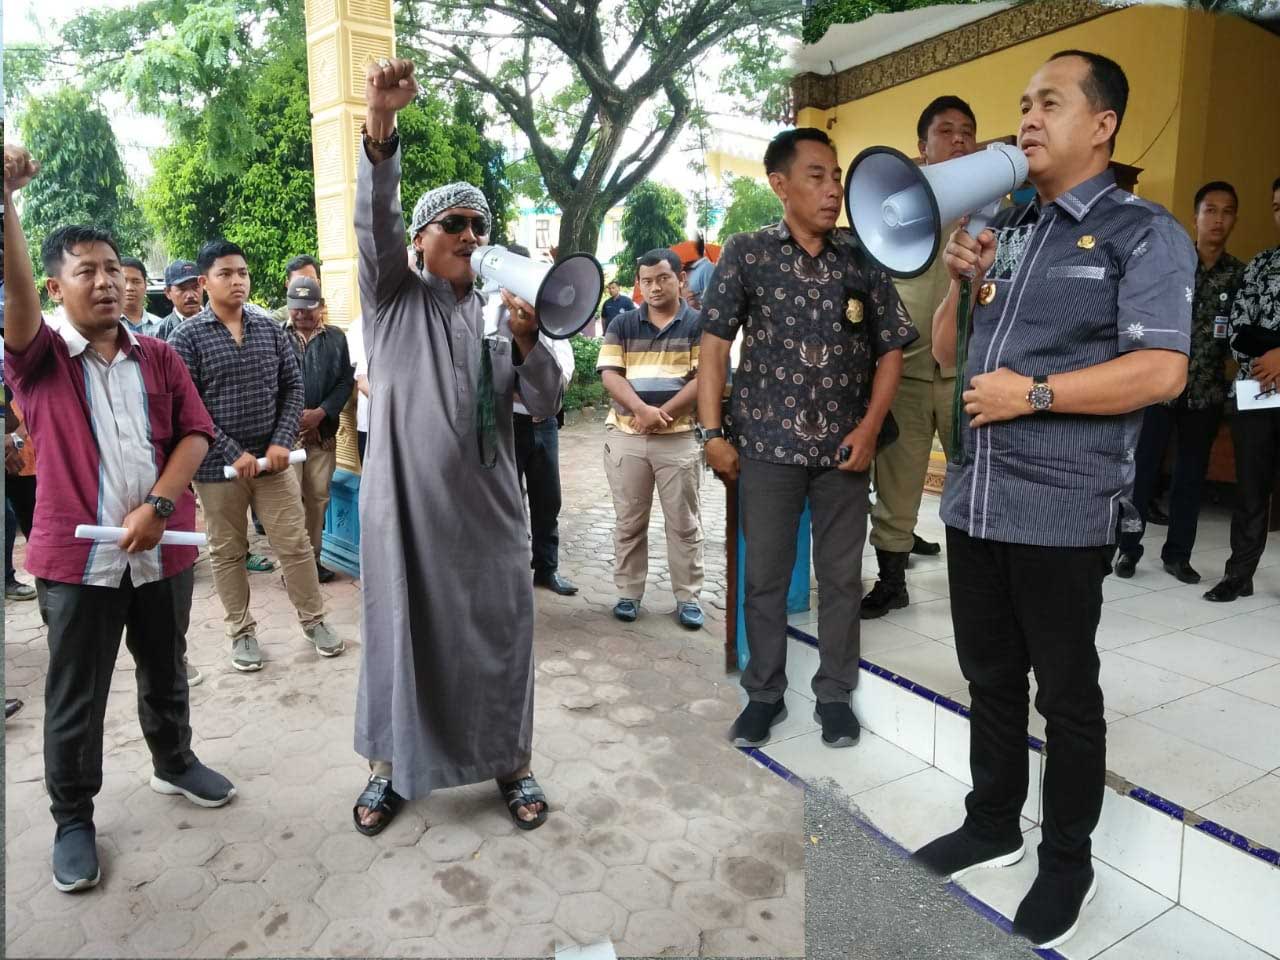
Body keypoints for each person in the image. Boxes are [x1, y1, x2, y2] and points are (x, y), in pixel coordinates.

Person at [911, 52, 1193, 949]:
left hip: (1063, 510)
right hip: (975, 502)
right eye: (1022, 104)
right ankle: (992, 820)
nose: (1025, 119)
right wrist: (960, 279)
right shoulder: (1007, 223)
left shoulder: (1142, 234)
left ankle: (1066, 859)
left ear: (1101, 123)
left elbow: (1163, 370)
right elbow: (951, 357)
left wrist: (1034, 392)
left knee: (1067, 696)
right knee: (990, 676)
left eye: (1049, 103)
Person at [3, 143, 237, 894]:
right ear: (54, 287)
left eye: (113, 269)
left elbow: (195, 434)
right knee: (77, 692)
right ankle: (73, 817)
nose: (106, 282)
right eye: (86, 271)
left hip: (162, 550)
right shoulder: (38, 360)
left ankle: (174, 761)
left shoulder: (159, 356)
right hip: (78, 564)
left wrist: (158, 505)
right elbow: (15, 303)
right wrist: (5, 201)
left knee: (166, 669)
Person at [351, 57, 563, 835]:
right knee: (398, 639)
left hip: (488, 515)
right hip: (404, 511)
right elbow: (372, 218)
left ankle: (512, 762)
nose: (471, 237)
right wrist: (381, 123)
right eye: (455, 224)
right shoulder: (390, 296)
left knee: (500, 634)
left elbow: (540, 405)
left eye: (480, 225)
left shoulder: (503, 312)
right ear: (419, 239)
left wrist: (532, 343)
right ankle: (390, 770)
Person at [697, 127, 916, 750]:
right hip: (765, 450)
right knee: (765, 579)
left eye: (837, 175)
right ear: (780, 184)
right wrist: (711, 433)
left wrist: (871, 428)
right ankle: (764, 696)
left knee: (842, 579)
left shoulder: (862, 255)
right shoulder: (747, 252)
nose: (833, 190)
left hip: (846, 454)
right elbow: (714, 343)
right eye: (817, 176)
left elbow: (892, 348)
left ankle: (835, 697)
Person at [168, 240, 343, 671]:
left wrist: (282, 441)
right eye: (226, 273)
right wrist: (233, 451)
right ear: (205, 282)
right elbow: (188, 407)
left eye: (242, 272)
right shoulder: (186, 337)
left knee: (296, 545)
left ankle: (314, 621)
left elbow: (293, 389)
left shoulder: (269, 328)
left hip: (274, 463)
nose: (237, 281)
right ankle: (241, 634)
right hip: (216, 469)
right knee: (227, 552)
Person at [862, 95, 978, 618]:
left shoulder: (993, 206)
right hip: (905, 372)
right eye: (946, 131)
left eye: (967, 132)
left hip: (968, 375)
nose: (959, 140)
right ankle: (891, 580)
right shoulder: (893, 205)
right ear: (921, 146)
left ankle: (983, 582)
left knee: (976, 477)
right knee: (898, 480)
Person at [1117, 181, 1245, 583]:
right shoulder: (1171, 263)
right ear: (1196, 216)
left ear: (1234, 220)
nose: (1217, 219)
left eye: (1226, 212)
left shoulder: (1238, 276)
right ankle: (1127, 549)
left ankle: (1178, 555)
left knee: (1191, 477)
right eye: (1210, 210)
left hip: (1205, 393)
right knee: (1142, 470)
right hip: (1157, 387)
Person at [598, 249, 705, 627]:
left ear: (680, 279)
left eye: (662, 278)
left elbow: (705, 378)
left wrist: (664, 414)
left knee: (683, 522)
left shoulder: (699, 323)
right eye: (646, 281)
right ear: (638, 285)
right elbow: (610, 373)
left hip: (678, 440)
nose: (654, 287)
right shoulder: (623, 324)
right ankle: (628, 594)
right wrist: (642, 411)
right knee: (629, 520)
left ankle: (688, 597)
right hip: (628, 437)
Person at [1205, 176, 1280, 602]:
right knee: (1250, 488)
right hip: (1258, 390)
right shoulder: (1261, 264)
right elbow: (1238, 330)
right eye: (1275, 206)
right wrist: (1271, 360)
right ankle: (1239, 575)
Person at [492, 243, 579, 597]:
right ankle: (508, 573)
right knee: (507, 501)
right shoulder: (489, 316)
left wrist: (533, 387)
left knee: (548, 499)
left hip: (543, 423)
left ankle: (546, 568)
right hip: (506, 425)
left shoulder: (548, 316)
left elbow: (563, 373)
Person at [284, 275, 354, 584]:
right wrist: (298, 420)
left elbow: (344, 382)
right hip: (285, 438)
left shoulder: (337, 338)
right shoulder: (276, 336)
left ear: (321, 307)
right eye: (296, 308)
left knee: (317, 500)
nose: (302, 314)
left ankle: (313, 560)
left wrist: (321, 414)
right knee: (288, 503)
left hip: (323, 437)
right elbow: (272, 384)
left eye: (308, 308)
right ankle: (293, 567)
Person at [155, 260, 205, 342]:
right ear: (168, 293)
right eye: (182, 289)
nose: (190, 295)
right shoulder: (158, 333)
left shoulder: (222, 322)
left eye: (195, 287)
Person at [119, 257, 165, 337]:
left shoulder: (161, 325)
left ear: (145, 286)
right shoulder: (105, 325)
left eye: (136, 282)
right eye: (123, 281)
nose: (129, 288)